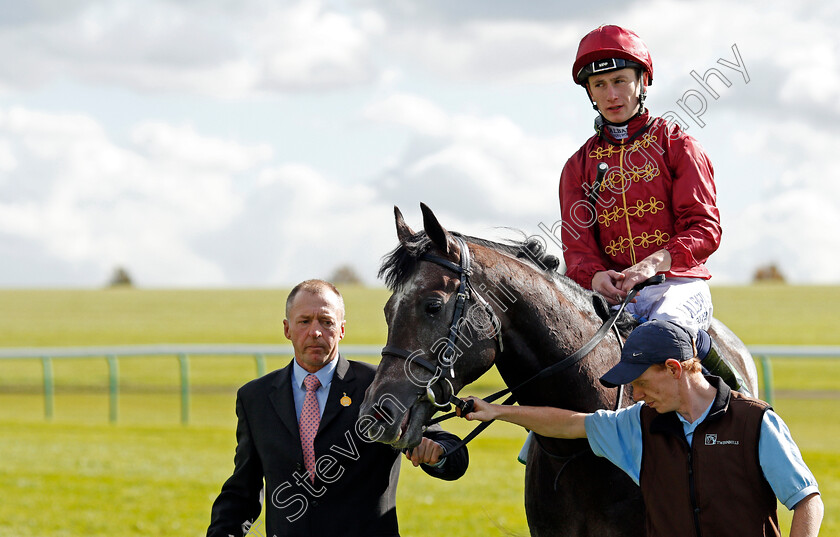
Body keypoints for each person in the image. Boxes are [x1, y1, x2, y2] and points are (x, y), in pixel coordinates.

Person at [464, 319, 823, 537]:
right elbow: (570, 424)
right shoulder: (638, 424)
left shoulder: (756, 422)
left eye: (640, 382)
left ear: (673, 368)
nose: (634, 394)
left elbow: (807, 501)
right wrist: (497, 411)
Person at [206, 279, 468, 537]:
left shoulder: (383, 387)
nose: (316, 331)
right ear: (287, 329)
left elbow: (453, 454)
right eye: (305, 321)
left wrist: (439, 453)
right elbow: (242, 492)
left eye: (326, 321)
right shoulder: (256, 397)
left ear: (341, 329)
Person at [559, 25, 721, 336]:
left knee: (662, 338)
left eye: (620, 81)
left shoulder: (679, 146)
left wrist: (652, 264)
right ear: (590, 92)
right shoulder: (576, 167)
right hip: (612, 295)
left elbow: (704, 228)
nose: (612, 95)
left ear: (642, 81)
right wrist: (594, 277)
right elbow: (577, 250)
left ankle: (716, 386)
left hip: (676, 285)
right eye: (600, 84)